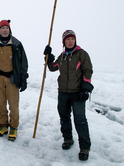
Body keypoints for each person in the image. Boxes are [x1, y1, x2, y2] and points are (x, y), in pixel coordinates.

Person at [43, 30, 94, 161]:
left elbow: (88, 71)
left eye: (72, 38)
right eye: (68, 39)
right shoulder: (62, 57)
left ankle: (84, 147)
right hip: (63, 93)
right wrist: (48, 57)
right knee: (64, 117)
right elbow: (52, 67)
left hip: (77, 93)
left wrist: (85, 88)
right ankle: (68, 139)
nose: (70, 41)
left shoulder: (81, 54)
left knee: (80, 120)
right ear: (64, 41)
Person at [0, 20, 28, 141]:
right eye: (2, 28)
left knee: (13, 105)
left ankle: (14, 127)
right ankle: (3, 125)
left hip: (12, 79)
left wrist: (23, 78)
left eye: (7, 28)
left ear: (10, 30)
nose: (5, 30)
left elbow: (23, 63)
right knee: (0, 104)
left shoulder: (17, 45)